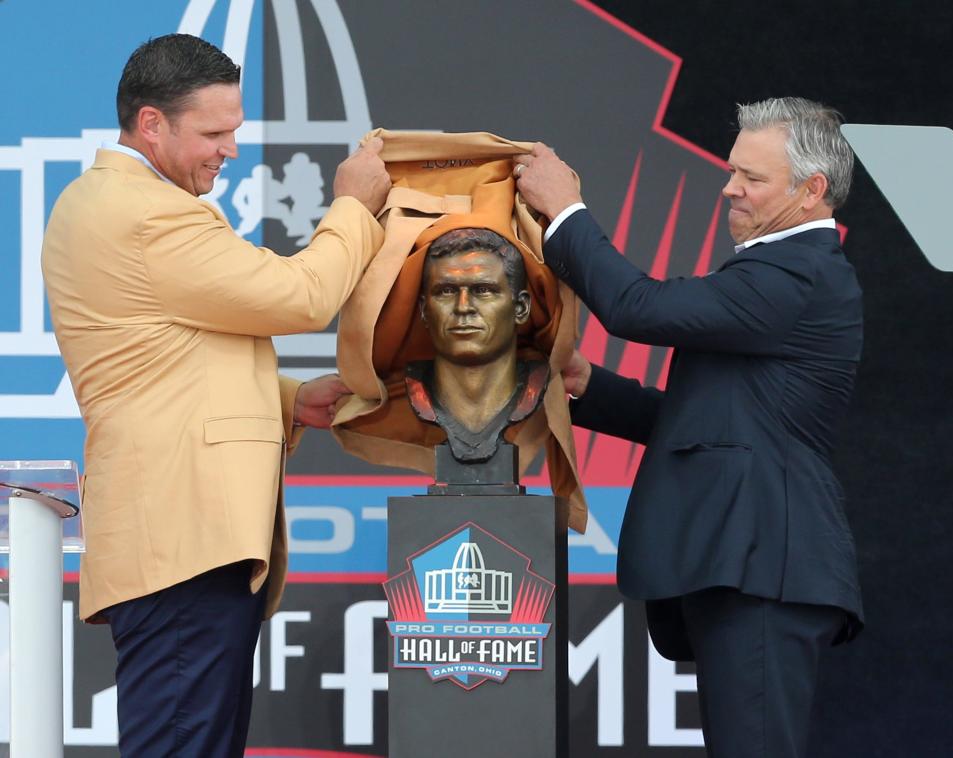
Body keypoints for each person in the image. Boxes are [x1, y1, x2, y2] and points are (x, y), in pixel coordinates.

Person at [40, 33, 390, 756]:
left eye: (233, 130)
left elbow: (166, 352)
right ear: (150, 124)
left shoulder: (111, 202)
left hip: (177, 538)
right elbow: (303, 295)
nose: (229, 149)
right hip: (182, 538)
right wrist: (353, 206)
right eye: (213, 133)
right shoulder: (146, 213)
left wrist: (285, 398)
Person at [514, 97, 863, 758]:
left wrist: (564, 212)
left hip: (764, 566)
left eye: (752, 178)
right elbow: (711, 427)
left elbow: (634, 305)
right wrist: (594, 389)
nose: (729, 187)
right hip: (743, 566)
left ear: (812, 191)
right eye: (733, 170)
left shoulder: (799, 271)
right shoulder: (779, 273)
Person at [408, 227, 547, 464]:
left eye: (483, 290)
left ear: (520, 308)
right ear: (424, 311)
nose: (463, 307)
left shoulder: (539, 386)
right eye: (446, 291)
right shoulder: (413, 391)